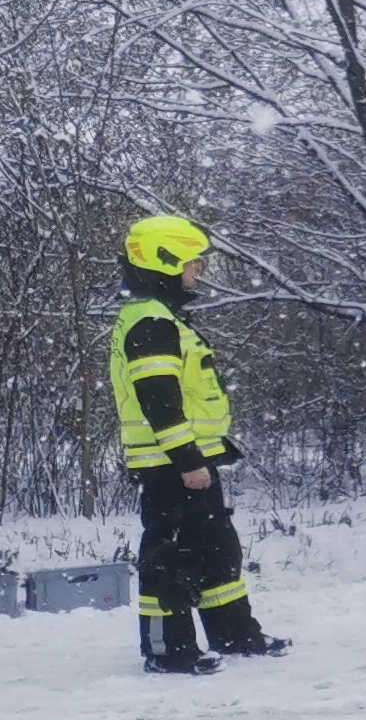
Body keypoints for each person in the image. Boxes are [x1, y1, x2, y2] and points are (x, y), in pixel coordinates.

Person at [109, 213, 289, 673]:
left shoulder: (164, 317)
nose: (198, 272)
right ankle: (169, 651)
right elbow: (159, 402)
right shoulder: (151, 323)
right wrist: (187, 459)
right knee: (169, 554)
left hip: (193, 458)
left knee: (216, 549)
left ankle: (235, 636)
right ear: (165, 261)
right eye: (193, 263)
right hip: (172, 463)